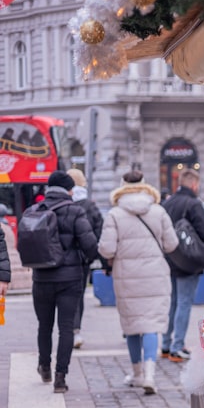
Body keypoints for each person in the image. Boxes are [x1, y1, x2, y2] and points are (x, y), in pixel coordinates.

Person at [98, 171, 178, 394]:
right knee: (152, 324)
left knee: (132, 325)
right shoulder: (158, 211)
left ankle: (137, 373)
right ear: (144, 185)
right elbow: (171, 244)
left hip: (127, 275)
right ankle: (151, 375)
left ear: (122, 187)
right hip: (155, 275)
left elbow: (106, 249)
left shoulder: (114, 214)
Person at [32, 170, 99, 393]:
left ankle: (44, 367)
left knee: (44, 325)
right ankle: (61, 377)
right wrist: (84, 260)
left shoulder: (35, 210)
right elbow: (90, 245)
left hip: (41, 278)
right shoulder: (75, 211)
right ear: (69, 190)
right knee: (66, 328)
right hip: (70, 279)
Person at [161, 168, 204, 362]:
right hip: (189, 262)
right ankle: (177, 346)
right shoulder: (193, 204)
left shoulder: (168, 203)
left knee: (173, 302)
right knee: (184, 302)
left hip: (170, 259)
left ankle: (166, 344)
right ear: (194, 184)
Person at [66, 168, 104, 349]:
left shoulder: (61, 202)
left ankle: (65, 330)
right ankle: (75, 331)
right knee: (78, 295)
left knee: (63, 295)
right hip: (81, 260)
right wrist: (93, 256)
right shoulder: (89, 205)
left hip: (61, 259)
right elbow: (99, 231)